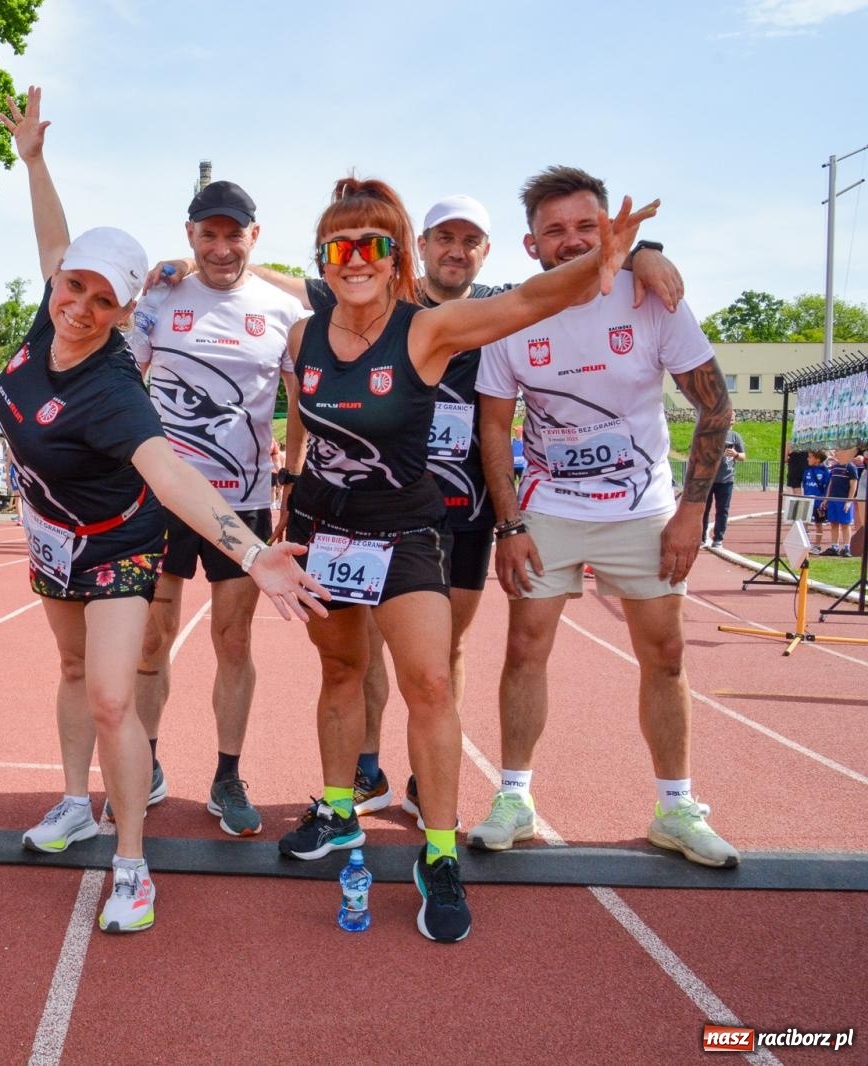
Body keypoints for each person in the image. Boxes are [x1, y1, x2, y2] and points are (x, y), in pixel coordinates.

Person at [273, 171, 657, 943]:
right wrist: (289, 494)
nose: (356, 259)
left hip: (407, 530)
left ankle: (439, 855)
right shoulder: (300, 334)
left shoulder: (425, 330)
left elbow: (526, 304)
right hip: (326, 528)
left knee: (429, 680)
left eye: (373, 245)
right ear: (322, 257)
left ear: (396, 256)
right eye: (340, 246)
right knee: (341, 671)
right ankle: (340, 809)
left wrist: (618, 256)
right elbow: (304, 425)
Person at [0, 87, 329, 934]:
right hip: (50, 537)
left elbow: (174, 477)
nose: (79, 306)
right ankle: (76, 802)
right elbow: (52, 236)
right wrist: (34, 160)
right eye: (72, 288)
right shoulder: (49, 313)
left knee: (112, 697)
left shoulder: (115, 388)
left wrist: (253, 551)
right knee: (71, 675)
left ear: (122, 313)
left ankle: (135, 864)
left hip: (119, 538)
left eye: (101, 301)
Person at [473, 164, 741, 871]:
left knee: (667, 656)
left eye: (586, 226)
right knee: (525, 650)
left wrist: (690, 515)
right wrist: (511, 524)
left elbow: (715, 407)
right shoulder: (512, 314)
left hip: (644, 511)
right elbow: (495, 428)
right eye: (554, 231)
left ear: (611, 230)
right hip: (549, 509)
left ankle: (676, 807)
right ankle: (514, 798)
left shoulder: (653, 298)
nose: (572, 241)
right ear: (531, 246)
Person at [127, 179, 307, 838]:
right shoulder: (160, 298)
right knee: (151, 638)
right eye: (210, 234)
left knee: (233, 641)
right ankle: (144, 763)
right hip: (163, 498)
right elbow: (124, 378)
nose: (222, 247)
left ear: (253, 238)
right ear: (190, 235)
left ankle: (227, 775)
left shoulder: (283, 309)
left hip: (245, 503)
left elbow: (299, 402)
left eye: (235, 234)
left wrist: (294, 477)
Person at [701, 428, 746, 549]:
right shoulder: (710, 433)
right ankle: (701, 538)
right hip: (708, 479)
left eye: (732, 418)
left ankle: (718, 539)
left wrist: (735, 454)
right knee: (704, 510)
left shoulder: (735, 436)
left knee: (722, 510)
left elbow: (743, 456)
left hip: (726, 480)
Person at [822, 446, 860, 557]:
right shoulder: (835, 467)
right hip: (833, 499)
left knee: (845, 524)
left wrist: (849, 501)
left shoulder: (850, 467)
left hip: (843, 500)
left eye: (838, 451)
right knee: (833, 523)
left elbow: (853, 486)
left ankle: (847, 547)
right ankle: (834, 546)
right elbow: (831, 483)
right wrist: (826, 499)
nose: (835, 453)